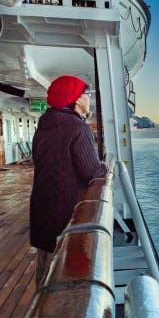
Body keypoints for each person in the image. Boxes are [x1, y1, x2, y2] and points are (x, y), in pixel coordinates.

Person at [30, 75, 107, 286]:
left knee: (45, 270)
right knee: (66, 274)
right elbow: (91, 171)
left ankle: (40, 315)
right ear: (76, 99)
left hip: (42, 207)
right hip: (66, 212)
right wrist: (105, 168)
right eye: (87, 95)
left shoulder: (44, 124)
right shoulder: (77, 128)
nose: (89, 100)